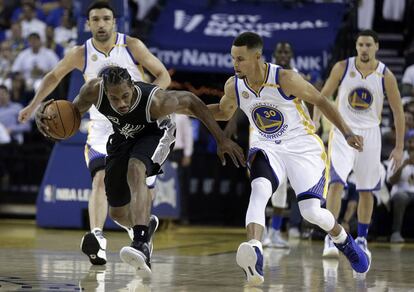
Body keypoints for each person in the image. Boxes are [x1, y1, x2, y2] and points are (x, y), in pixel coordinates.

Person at [35, 66, 245, 275]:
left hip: (157, 133)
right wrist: (47, 117)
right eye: (115, 98)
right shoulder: (93, 90)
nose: (122, 103)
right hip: (123, 136)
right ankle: (146, 224)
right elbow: (71, 113)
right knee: (116, 213)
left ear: (133, 87)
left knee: (136, 169)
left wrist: (222, 139)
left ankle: (141, 243)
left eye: (125, 96)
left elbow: (192, 102)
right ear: (105, 91)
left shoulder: (155, 101)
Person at [207, 31, 369, 286]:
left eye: (240, 59)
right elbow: (223, 112)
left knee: (312, 212)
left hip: (302, 147)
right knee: (259, 188)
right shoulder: (234, 85)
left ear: (257, 57)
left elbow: (321, 100)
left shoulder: (284, 78)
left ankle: (344, 242)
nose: (234, 64)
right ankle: (255, 250)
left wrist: (347, 132)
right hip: (267, 146)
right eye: (233, 59)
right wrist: (187, 109)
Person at [18, 1, 171, 266]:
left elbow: (163, 76)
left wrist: (147, 104)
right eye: (96, 19)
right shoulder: (81, 52)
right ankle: (97, 238)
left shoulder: (132, 46)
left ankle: (141, 231)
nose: (101, 24)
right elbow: (54, 77)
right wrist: (33, 105)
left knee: (135, 198)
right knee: (99, 179)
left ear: (114, 22)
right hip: (101, 127)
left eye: (106, 19)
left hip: (137, 125)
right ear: (87, 24)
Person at [313, 30, 405, 260]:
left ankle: (362, 237)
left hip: (371, 134)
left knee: (367, 190)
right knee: (336, 183)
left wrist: (399, 146)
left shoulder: (386, 75)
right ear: (356, 46)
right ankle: (332, 237)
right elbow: (321, 98)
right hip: (343, 131)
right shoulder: (342, 67)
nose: (364, 49)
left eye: (368, 45)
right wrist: (314, 124)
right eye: (360, 44)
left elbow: (397, 111)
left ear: (376, 46)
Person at [387, 130, 414, 243]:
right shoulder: (398, 156)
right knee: (401, 197)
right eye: (411, 141)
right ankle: (396, 232)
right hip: (400, 191)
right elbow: (391, 181)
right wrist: (403, 165)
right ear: (407, 142)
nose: (413, 144)